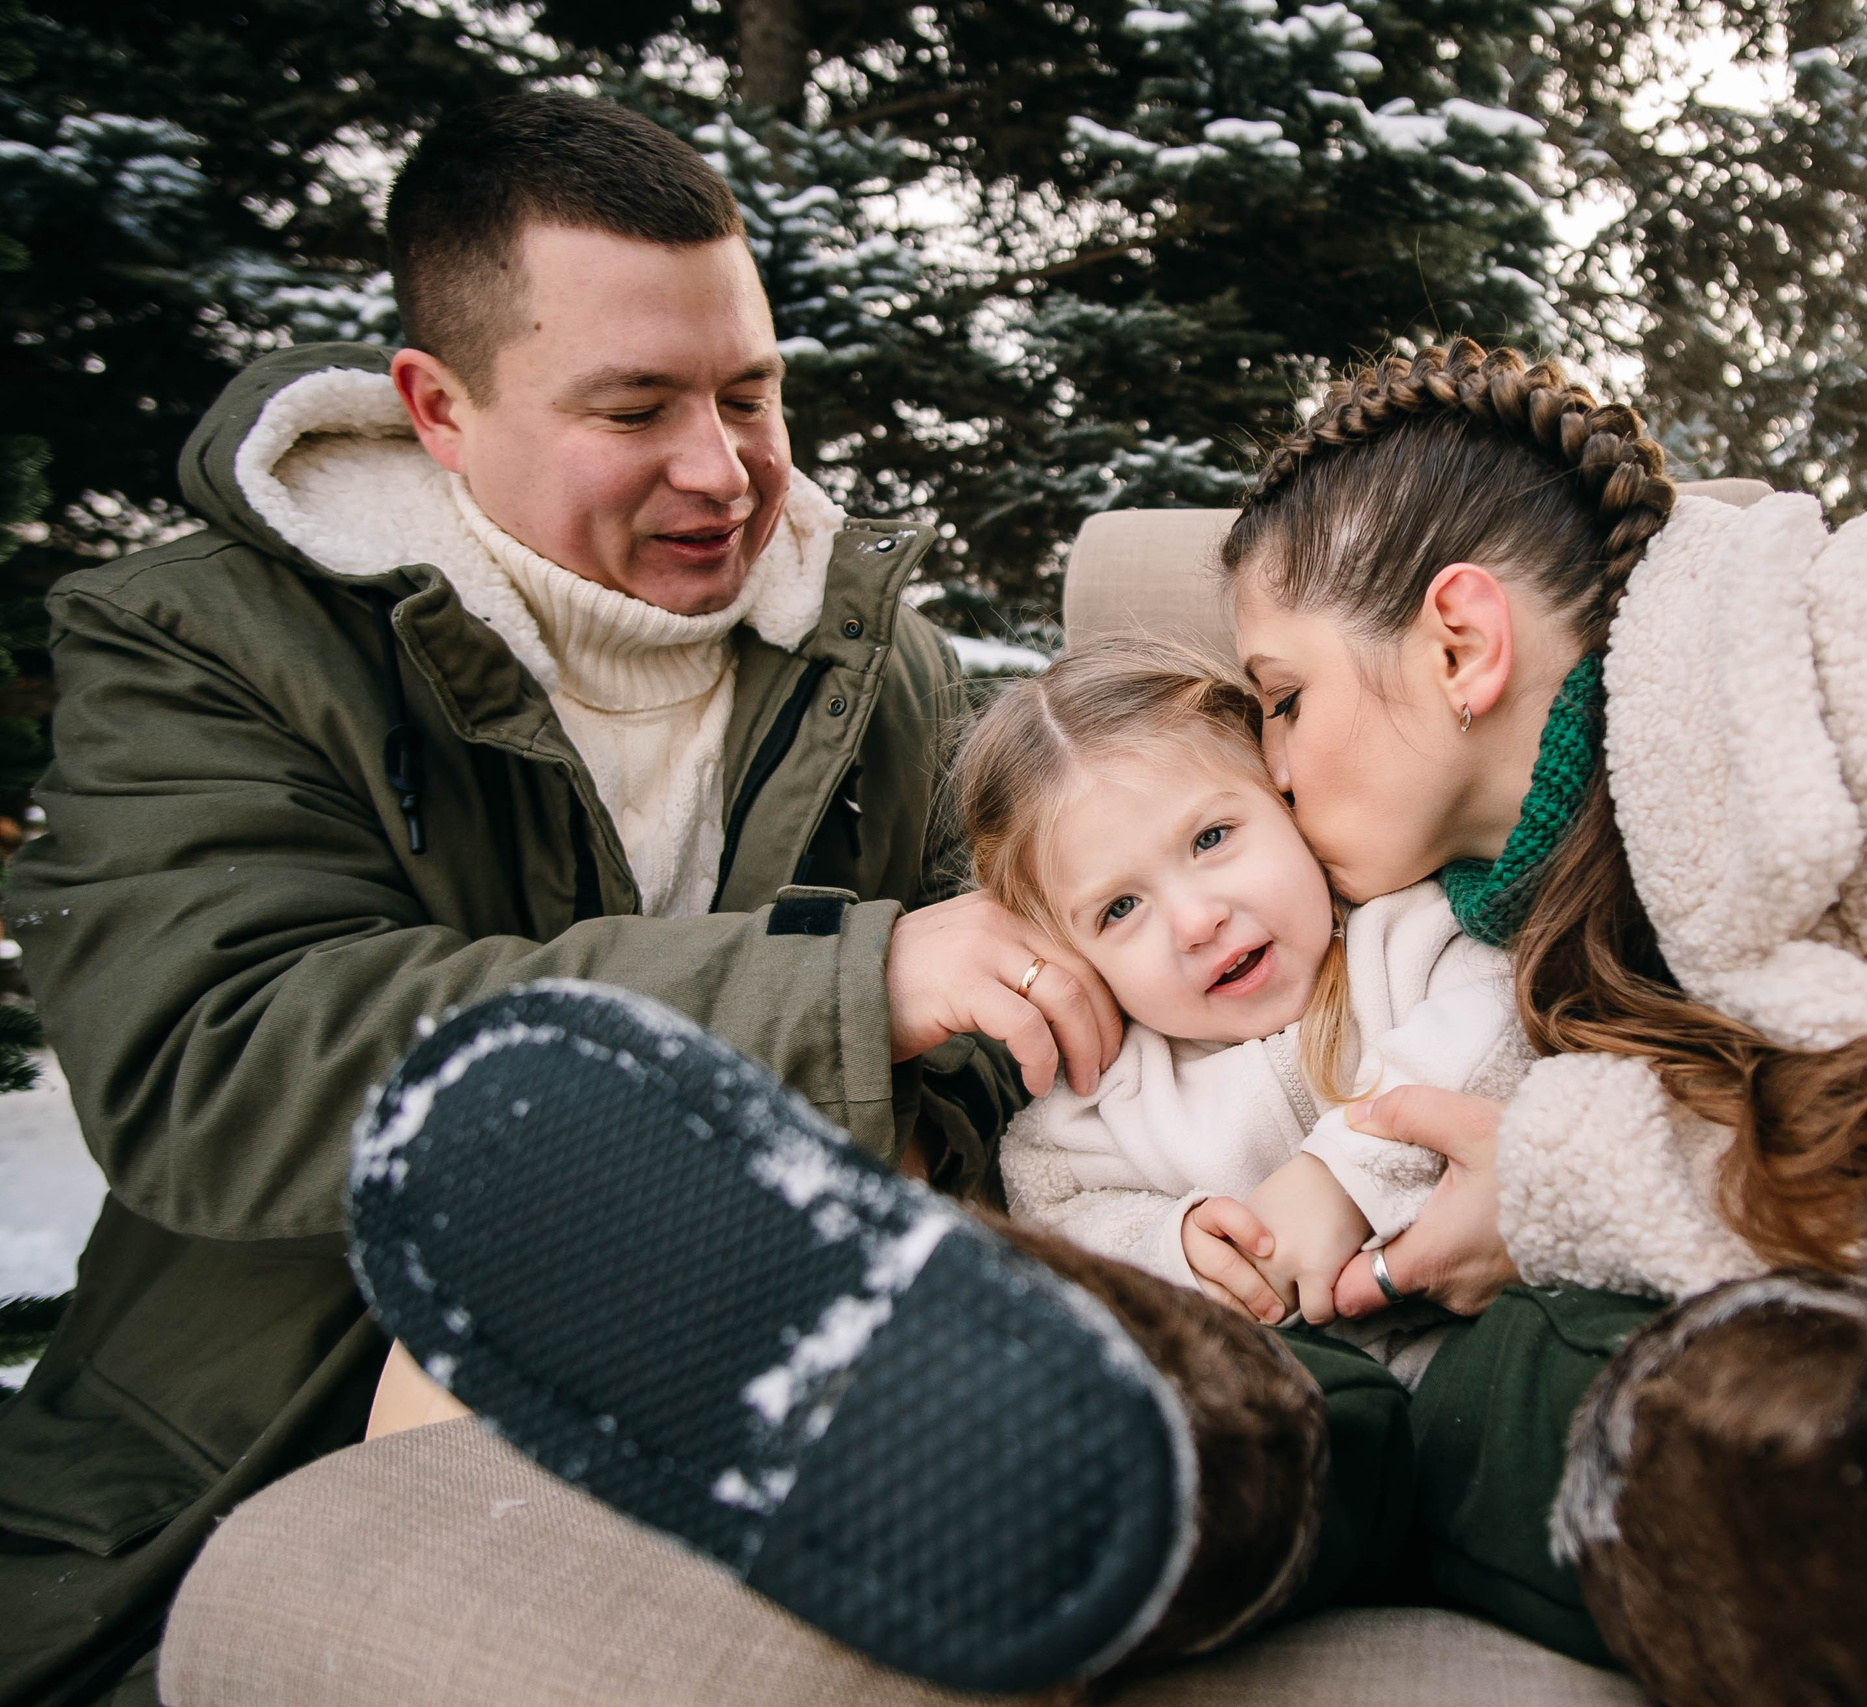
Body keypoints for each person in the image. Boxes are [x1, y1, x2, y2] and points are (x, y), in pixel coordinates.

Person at [254, 341, 1867, 1707]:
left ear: (1456, 640)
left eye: (1275, 706)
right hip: (1367, 1369)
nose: (1262, 792)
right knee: (1369, 1419)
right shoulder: (1547, 865)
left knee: (1648, 1409)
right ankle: (1076, 1440)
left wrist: (1545, 1181)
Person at [0, 93, 1140, 1706]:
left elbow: (1000, 1003)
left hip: (746, 1452)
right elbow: (218, 1059)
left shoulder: (883, 663)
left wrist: (916, 1103)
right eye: (635, 408)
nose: (722, 469)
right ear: (437, 407)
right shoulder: (206, 644)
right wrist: (838, 1000)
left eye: (752, 393)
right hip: (240, 1478)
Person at [959, 638, 1523, 1338]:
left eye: (1211, 838)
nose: (1197, 921)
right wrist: (1173, 1250)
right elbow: (1058, 1225)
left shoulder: (1413, 937)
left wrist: (1344, 1178)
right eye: (1120, 908)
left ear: (1286, 799)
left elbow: (1507, 1028)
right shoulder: (1102, 1108)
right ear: (1074, 960)